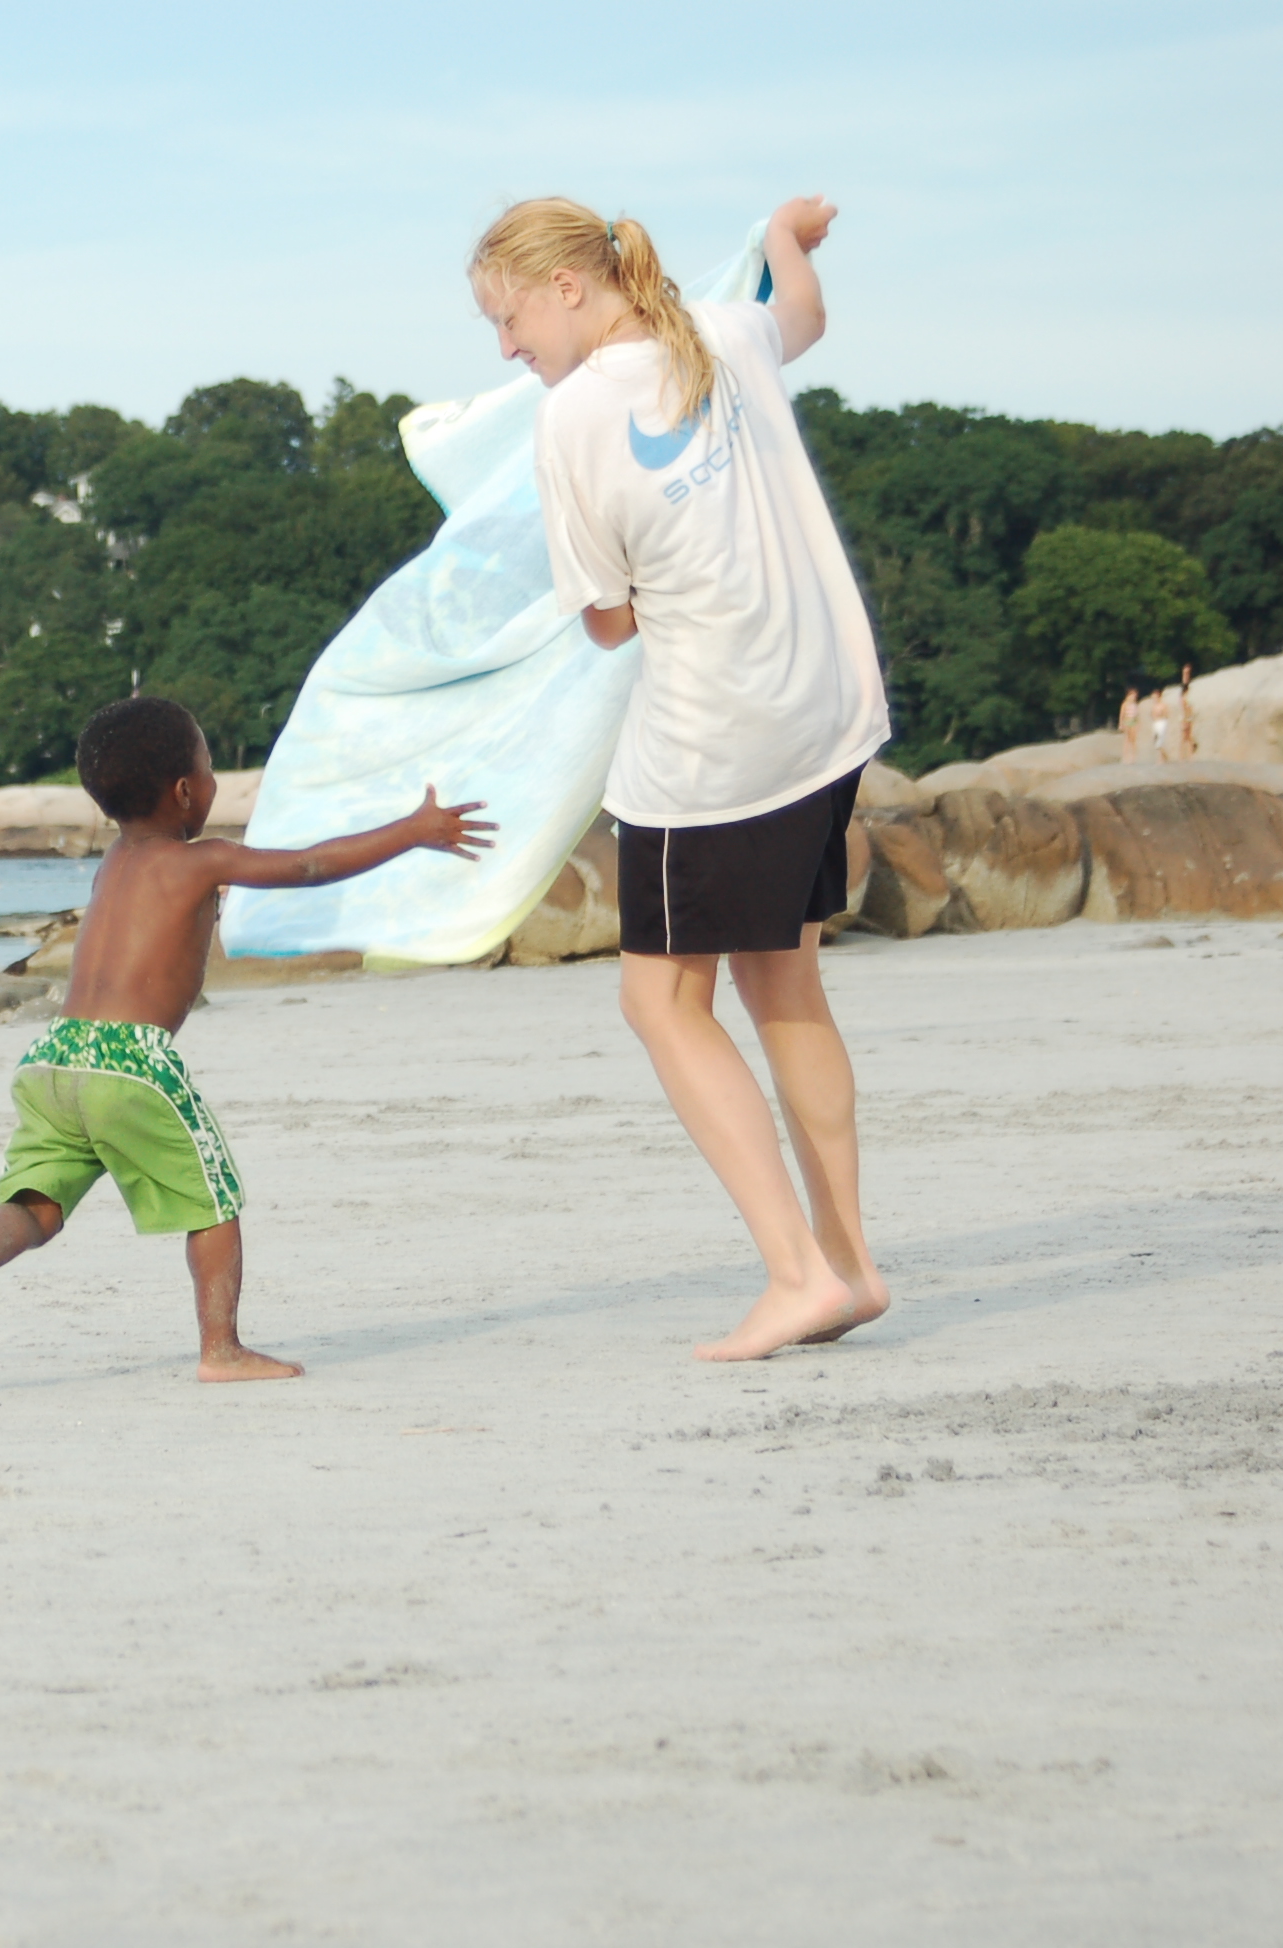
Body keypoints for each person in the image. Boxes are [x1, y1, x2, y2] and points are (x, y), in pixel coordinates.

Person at [474, 192, 892, 1362]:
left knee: (659, 1002)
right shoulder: (723, 330)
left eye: (507, 319)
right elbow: (801, 312)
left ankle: (795, 1274)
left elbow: (606, 620)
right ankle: (848, 1264)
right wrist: (782, 241)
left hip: (715, 745)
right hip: (824, 712)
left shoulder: (570, 418)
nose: (505, 348)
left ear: (565, 287)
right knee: (782, 982)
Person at [0, 696, 490, 1382]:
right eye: (209, 769)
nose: (212, 782)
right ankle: (221, 1350)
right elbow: (308, 867)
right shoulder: (199, 861)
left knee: (37, 1200)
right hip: (130, 1064)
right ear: (185, 791)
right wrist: (413, 830)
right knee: (214, 1199)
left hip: (55, 1057)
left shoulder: (114, 863)